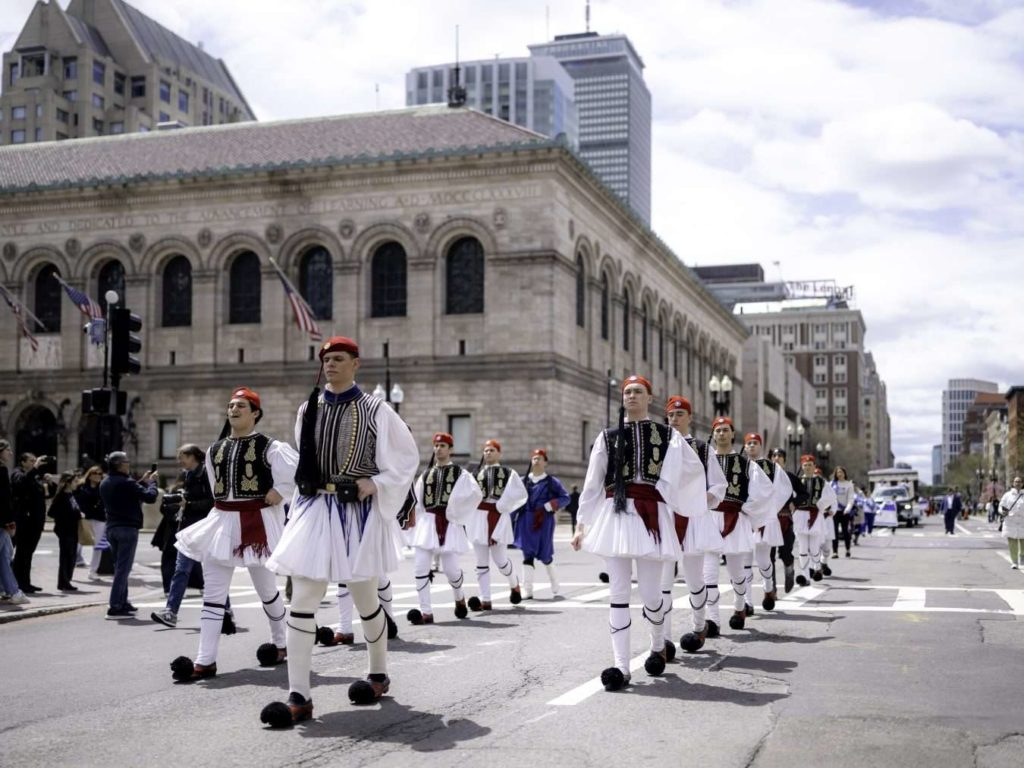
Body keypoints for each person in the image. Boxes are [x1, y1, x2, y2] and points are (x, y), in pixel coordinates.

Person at [261, 336, 418, 727]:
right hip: (316, 508)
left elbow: (405, 458)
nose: (331, 365)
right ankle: (299, 695)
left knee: (365, 597)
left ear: (355, 364)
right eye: (327, 359)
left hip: (357, 512)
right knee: (305, 594)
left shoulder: (376, 409)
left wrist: (376, 483)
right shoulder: (308, 408)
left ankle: (378, 673)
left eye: (339, 359)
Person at [571, 375, 706, 691]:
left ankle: (658, 642)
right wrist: (581, 525)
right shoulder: (608, 437)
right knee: (618, 593)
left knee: (650, 594)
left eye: (638, 392)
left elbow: (689, 472)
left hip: (651, 515)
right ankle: (620, 667)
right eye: (627, 392)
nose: (631, 396)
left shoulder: (667, 436)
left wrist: (672, 498)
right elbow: (592, 484)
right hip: (616, 515)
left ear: (650, 398)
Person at [173, 388, 296, 680]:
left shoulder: (271, 447)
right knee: (213, 594)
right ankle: (205, 660)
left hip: (258, 523)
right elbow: (217, 487)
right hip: (222, 522)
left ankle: (281, 642)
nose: (234, 409)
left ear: (255, 413)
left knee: (267, 591)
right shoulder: (215, 450)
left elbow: (293, 475)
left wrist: (280, 491)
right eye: (230, 405)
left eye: (241, 405)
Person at [664, 395, 725, 654]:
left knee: (694, 579)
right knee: (663, 583)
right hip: (666, 518)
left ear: (689, 417)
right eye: (671, 415)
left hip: (694, 520)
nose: (675, 419)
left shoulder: (702, 448)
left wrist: (704, 500)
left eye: (680, 414)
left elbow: (719, 483)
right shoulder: (660, 446)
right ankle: (663, 640)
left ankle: (699, 625)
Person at [407, 432, 482, 624]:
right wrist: (416, 522)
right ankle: (426, 611)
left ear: (451, 450)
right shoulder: (426, 474)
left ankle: (459, 597)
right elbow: (417, 500)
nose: (438, 449)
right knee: (420, 566)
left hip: (449, 523)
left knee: (451, 570)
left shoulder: (460, 473)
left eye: (442, 446)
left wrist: (456, 512)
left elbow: (475, 495)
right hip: (428, 522)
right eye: (436, 445)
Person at [706, 418, 773, 631]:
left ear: (733, 434)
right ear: (713, 434)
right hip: (710, 517)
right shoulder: (705, 461)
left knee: (736, 571)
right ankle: (712, 620)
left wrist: (747, 509)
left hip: (736, 518)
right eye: (718, 431)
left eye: (726, 430)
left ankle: (739, 607)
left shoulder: (747, 465)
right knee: (709, 573)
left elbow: (764, 491)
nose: (722, 434)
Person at [151, 444, 219, 629]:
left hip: (205, 529)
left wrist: (187, 504)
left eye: (182, 457)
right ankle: (170, 612)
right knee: (181, 570)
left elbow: (214, 502)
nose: (180, 461)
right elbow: (189, 499)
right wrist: (182, 500)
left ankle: (225, 611)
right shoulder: (189, 474)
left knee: (213, 572)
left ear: (193, 457)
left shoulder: (207, 473)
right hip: (189, 530)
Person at [466, 439, 528, 610]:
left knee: (500, 560)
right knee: (481, 561)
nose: (488, 453)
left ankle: (514, 582)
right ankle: (486, 599)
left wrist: (503, 505)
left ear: (499, 453)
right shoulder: (475, 472)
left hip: (498, 516)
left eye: (492, 450)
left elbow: (519, 493)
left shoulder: (509, 473)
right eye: (486, 450)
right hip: (479, 517)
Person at [99, 452, 158, 617]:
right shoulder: (127, 482)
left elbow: (125, 492)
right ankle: (115, 605)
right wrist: (152, 483)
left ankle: (123, 602)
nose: (129, 464)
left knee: (120, 567)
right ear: (120, 464)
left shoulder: (105, 482)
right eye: (127, 462)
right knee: (123, 569)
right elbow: (150, 497)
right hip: (127, 529)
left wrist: (141, 482)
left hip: (112, 528)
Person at [744, 435, 793, 611]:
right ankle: (747, 602)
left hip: (765, 519)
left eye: (754, 443)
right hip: (745, 519)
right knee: (745, 562)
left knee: (764, 560)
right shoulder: (740, 465)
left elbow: (785, 489)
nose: (751, 446)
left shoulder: (772, 467)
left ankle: (768, 588)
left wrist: (770, 508)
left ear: (760, 446)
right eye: (748, 443)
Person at [514, 449, 570, 599]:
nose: (536, 460)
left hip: (544, 521)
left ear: (545, 462)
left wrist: (551, 504)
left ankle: (554, 581)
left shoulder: (552, 482)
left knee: (545, 554)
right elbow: (513, 499)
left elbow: (566, 498)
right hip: (526, 520)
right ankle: (528, 590)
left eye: (539, 458)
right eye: (533, 458)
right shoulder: (523, 480)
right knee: (527, 554)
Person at [792, 454, 837, 586]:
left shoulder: (821, 481)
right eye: (805, 465)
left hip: (815, 516)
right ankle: (805, 576)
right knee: (803, 547)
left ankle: (817, 567)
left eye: (810, 465)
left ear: (814, 466)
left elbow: (831, 496)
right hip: (800, 515)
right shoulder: (797, 481)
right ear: (802, 466)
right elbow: (791, 496)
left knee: (814, 547)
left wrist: (820, 505)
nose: (807, 467)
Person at [11, 452, 48, 593]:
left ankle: (25, 582)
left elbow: (43, 494)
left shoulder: (34, 476)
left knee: (27, 554)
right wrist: (35, 468)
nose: (34, 462)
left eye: (35, 460)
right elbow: (21, 483)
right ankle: (18, 583)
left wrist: (49, 483)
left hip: (35, 521)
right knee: (22, 553)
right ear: (22, 462)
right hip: (24, 521)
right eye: (31, 460)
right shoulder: (17, 473)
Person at [0, 439, 29, 605]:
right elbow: (3, 499)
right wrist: (10, 522)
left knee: (4, 557)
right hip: (1, 522)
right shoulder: (2, 469)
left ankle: (9, 590)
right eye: (7, 450)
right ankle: (13, 591)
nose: (10, 453)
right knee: (4, 557)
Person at [768, 448, 801, 592]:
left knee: (785, 553)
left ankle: (789, 570)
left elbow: (804, 493)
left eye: (780, 456)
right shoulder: (764, 476)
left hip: (785, 520)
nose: (776, 458)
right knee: (769, 557)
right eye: (774, 456)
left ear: (784, 460)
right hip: (768, 520)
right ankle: (772, 589)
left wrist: (795, 501)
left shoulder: (790, 477)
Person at [48, 471, 83, 592]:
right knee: (66, 557)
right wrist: (67, 516)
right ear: (68, 483)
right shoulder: (61, 496)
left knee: (72, 556)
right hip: (65, 530)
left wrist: (79, 514)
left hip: (73, 529)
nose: (76, 483)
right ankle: (63, 582)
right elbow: (51, 512)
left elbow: (74, 510)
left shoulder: (71, 495)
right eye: (74, 481)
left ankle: (67, 580)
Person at [74, 466, 106, 580]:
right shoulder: (80, 486)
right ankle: (70, 568)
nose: (98, 475)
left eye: (100, 473)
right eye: (95, 473)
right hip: (84, 518)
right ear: (89, 474)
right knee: (78, 544)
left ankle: (93, 571)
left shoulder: (103, 487)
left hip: (99, 518)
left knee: (98, 546)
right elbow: (74, 500)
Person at [998, 476, 1024, 569]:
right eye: (1016, 481)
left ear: (1022, 484)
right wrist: (1002, 511)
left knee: (1023, 542)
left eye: (1020, 481)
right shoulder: (1007, 495)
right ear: (1013, 483)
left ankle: (1022, 557)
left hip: (1022, 522)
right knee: (1012, 543)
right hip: (1010, 522)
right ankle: (1014, 562)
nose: (1018, 483)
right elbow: (1001, 506)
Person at [830, 467, 855, 558]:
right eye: (838, 472)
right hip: (835, 511)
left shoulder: (849, 485)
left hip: (845, 511)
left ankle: (848, 549)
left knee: (846, 532)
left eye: (841, 472)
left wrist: (847, 508)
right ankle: (835, 552)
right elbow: (829, 497)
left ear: (844, 473)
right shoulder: (832, 484)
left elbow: (851, 499)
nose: (839, 474)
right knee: (834, 532)